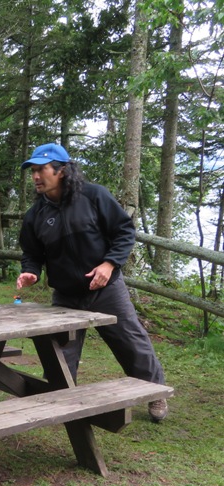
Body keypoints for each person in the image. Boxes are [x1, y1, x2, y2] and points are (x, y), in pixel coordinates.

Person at [17, 143, 169, 422]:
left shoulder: (94, 196)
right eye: (33, 171)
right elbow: (32, 253)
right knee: (61, 352)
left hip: (106, 290)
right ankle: (59, 398)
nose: (36, 176)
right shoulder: (36, 215)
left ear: (61, 171)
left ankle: (154, 392)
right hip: (66, 295)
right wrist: (31, 272)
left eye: (41, 170)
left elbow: (124, 232)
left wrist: (109, 264)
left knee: (131, 342)